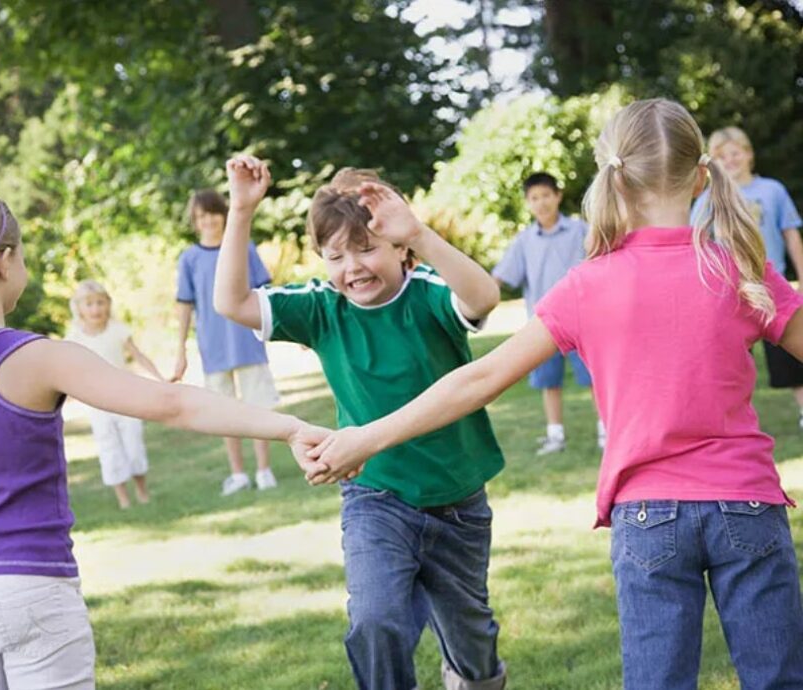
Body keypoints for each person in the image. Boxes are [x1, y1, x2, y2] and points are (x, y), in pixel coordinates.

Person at [310, 99, 803, 690]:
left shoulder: (588, 283)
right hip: (747, 506)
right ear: (701, 177)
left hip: (648, 517)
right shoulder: (739, 269)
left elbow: (478, 379)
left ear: (614, 181)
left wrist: (368, 435)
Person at [0, 187, 327, 690]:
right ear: (5, 263)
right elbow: (172, 403)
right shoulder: (41, 358)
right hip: (29, 590)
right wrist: (289, 427)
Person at [214, 156, 507, 690]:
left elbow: (485, 297)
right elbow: (231, 301)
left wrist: (418, 230)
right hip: (376, 496)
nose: (353, 267)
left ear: (401, 248)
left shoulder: (430, 294)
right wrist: (239, 210)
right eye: (336, 255)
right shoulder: (322, 308)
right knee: (376, 620)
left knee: (473, 645)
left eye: (367, 248)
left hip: (458, 501)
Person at [692, 126, 803, 428]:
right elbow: (694, 244)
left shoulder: (772, 190)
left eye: (735, 152)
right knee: (731, 360)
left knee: (792, 354)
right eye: (721, 155)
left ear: (749, 153)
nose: (729, 159)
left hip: (772, 285)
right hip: (727, 291)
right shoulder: (705, 201)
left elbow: (791, 235)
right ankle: (730, 418)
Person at [174, 188, 281, 495]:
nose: (209, 221)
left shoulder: (243, 247)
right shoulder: (190, 258)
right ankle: (238, 474)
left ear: (224, 215)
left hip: (247, 340)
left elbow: (265, 294)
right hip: (213, 346)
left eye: (213, 214)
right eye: (202, 216)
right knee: (224, 413)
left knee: (259, 408)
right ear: (196, 221)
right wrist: (181, 350)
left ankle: (264, 470)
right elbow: (185, 305)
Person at [492, 172, 603, 453]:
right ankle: (555, 436)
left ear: (558, 196)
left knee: (595, 378)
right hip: (543, 325)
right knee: (548, 382)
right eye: (534, 198)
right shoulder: (524, 240)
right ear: (528, 203)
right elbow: (503, 276)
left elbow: (601, 263)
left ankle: (606, 432)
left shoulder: (580, 231)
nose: (541, 203)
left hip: (583, 321)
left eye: (546, 195)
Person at [66, 279, 163, 509]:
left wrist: (161, 379)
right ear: (79, 308)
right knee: (109, 447)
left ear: (108, 304)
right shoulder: (75, 336)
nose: (96, 309)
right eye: (89, 304)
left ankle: (142, 491)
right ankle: (123, 499)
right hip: (98, 401)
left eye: (100, 303)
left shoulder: (118, 330)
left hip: (126, 397)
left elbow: (138, 356)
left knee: (133, 444)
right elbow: (70, 367)